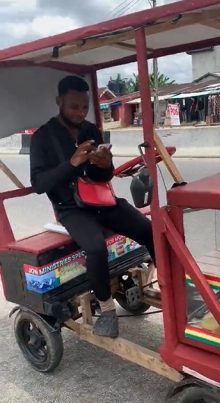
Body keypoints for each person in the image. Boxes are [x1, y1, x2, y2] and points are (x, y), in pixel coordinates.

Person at [30, 76, 156, 338]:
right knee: (95, 246)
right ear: (59, 102)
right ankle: (108, 310)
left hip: (100, 200)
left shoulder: (90, 129)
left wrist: (104, 165)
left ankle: (169, 283)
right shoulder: (43, 137)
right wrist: (71, 163)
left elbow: (103, 177)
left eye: (84, 107)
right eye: (74, 107)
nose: (80, 113)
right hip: (70, 209)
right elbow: (40, 184)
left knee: (149, 229)